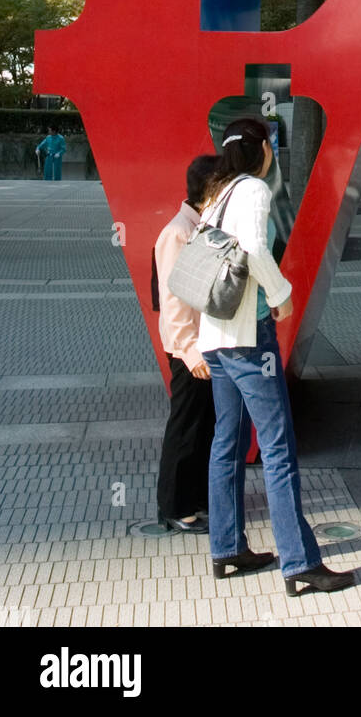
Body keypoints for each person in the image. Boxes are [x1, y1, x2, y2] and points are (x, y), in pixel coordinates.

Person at [197, 116, 354, 594]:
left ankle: (227, 549)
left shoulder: (216, 193)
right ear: (264, 148)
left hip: (215, 337)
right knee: (278, 447)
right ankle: (299, 562)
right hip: (247, 337)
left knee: (227, 442)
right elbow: (255, 248)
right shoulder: (252, 190)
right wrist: (282, 294)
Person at [154, 154, 219, 534]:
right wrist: (190, 349)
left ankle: (194, 497)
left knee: (203, 424)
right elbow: (172, 299)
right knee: (186, 425)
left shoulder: (198, 227)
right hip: (187, 349)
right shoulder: (178, 233)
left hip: (202, 344)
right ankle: (175, 506)